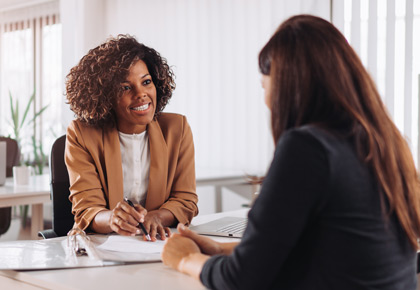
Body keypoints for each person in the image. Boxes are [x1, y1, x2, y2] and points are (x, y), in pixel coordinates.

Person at [161, 14, 420, 289]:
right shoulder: (388, 142)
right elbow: (327, 252)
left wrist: (186, 259)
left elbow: (242, 280)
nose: (266, 101)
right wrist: (218, 249)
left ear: (287, 85)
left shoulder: (308, 148)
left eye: (264, 85)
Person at [65, 35, 198, 241]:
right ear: (105, 96)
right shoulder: (81, 134)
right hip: (100, 247)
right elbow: (87, 209)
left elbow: (185, 200)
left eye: (146, 82)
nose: (141, 94)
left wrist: (157, 217)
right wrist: (112, 219)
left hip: (155, 244)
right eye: (125, 87)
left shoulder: (176, 129)